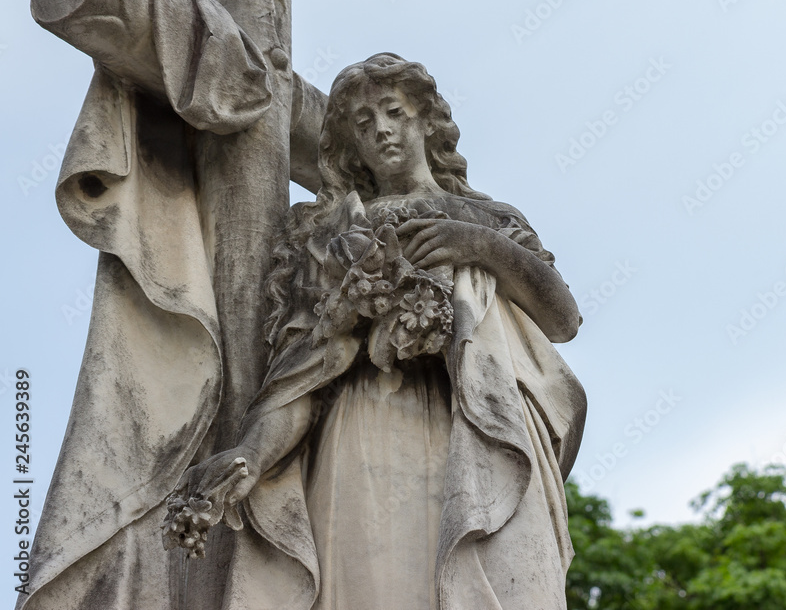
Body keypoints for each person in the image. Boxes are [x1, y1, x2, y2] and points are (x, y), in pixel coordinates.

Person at [169, 53, 587, 610]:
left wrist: (480, 247)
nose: (382, 131)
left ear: (427, 122)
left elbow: (562, 319)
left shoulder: (486, 218)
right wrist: (250, 454)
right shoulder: (324, 234)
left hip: (476, 425)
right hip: (362, 433)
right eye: (363, 125)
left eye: (394, 112)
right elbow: (300, 375)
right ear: (349, 143)